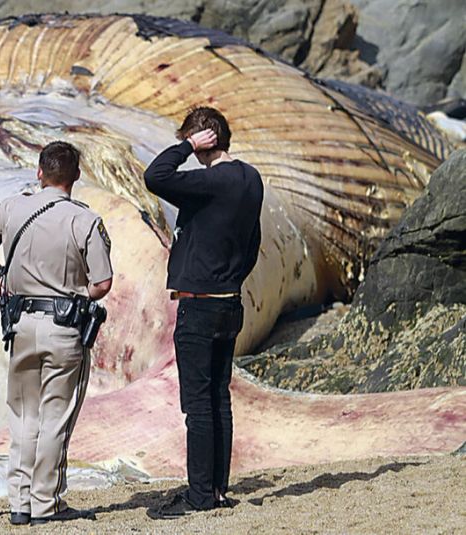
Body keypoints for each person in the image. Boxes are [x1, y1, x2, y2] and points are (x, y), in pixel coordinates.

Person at [0, 141, 113, 526]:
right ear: (76, 176)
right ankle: (48, 503)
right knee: (55, 417)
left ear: (39, 172)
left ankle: (20, 502)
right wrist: (75, 290)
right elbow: (103, 283)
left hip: (20, 324)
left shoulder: (14, 207)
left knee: (23, 415)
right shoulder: (85, 220)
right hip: (63, 327)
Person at [143, 107, 263, 517]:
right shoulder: (251, 179)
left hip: (199, 304)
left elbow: (154, 177)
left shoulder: (210, 181)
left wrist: (185, 146)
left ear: (205, 138)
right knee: (219, 399)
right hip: (230, 301)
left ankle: (198, 496)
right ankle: (217, 490)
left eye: (194, 141)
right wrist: (230, 278)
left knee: (197, 405)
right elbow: (252, 243)